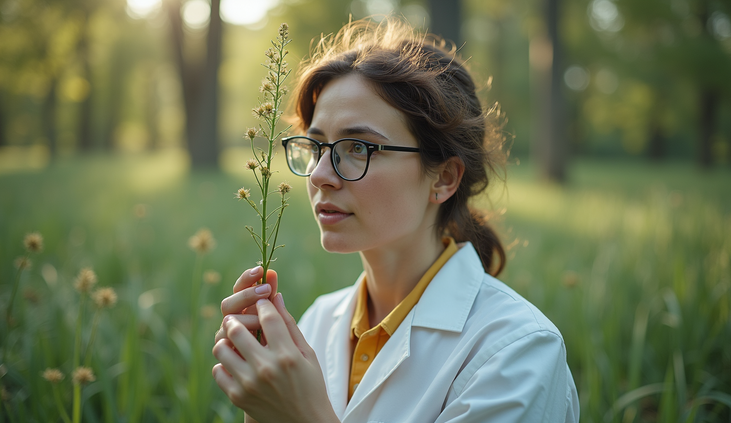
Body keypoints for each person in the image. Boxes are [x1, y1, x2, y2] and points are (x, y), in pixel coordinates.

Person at [212, 17, 579, 423]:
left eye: (358, 147)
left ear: (443, 178)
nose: (319, 175)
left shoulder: (517, 350)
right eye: (316, 146)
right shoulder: (314, 323)